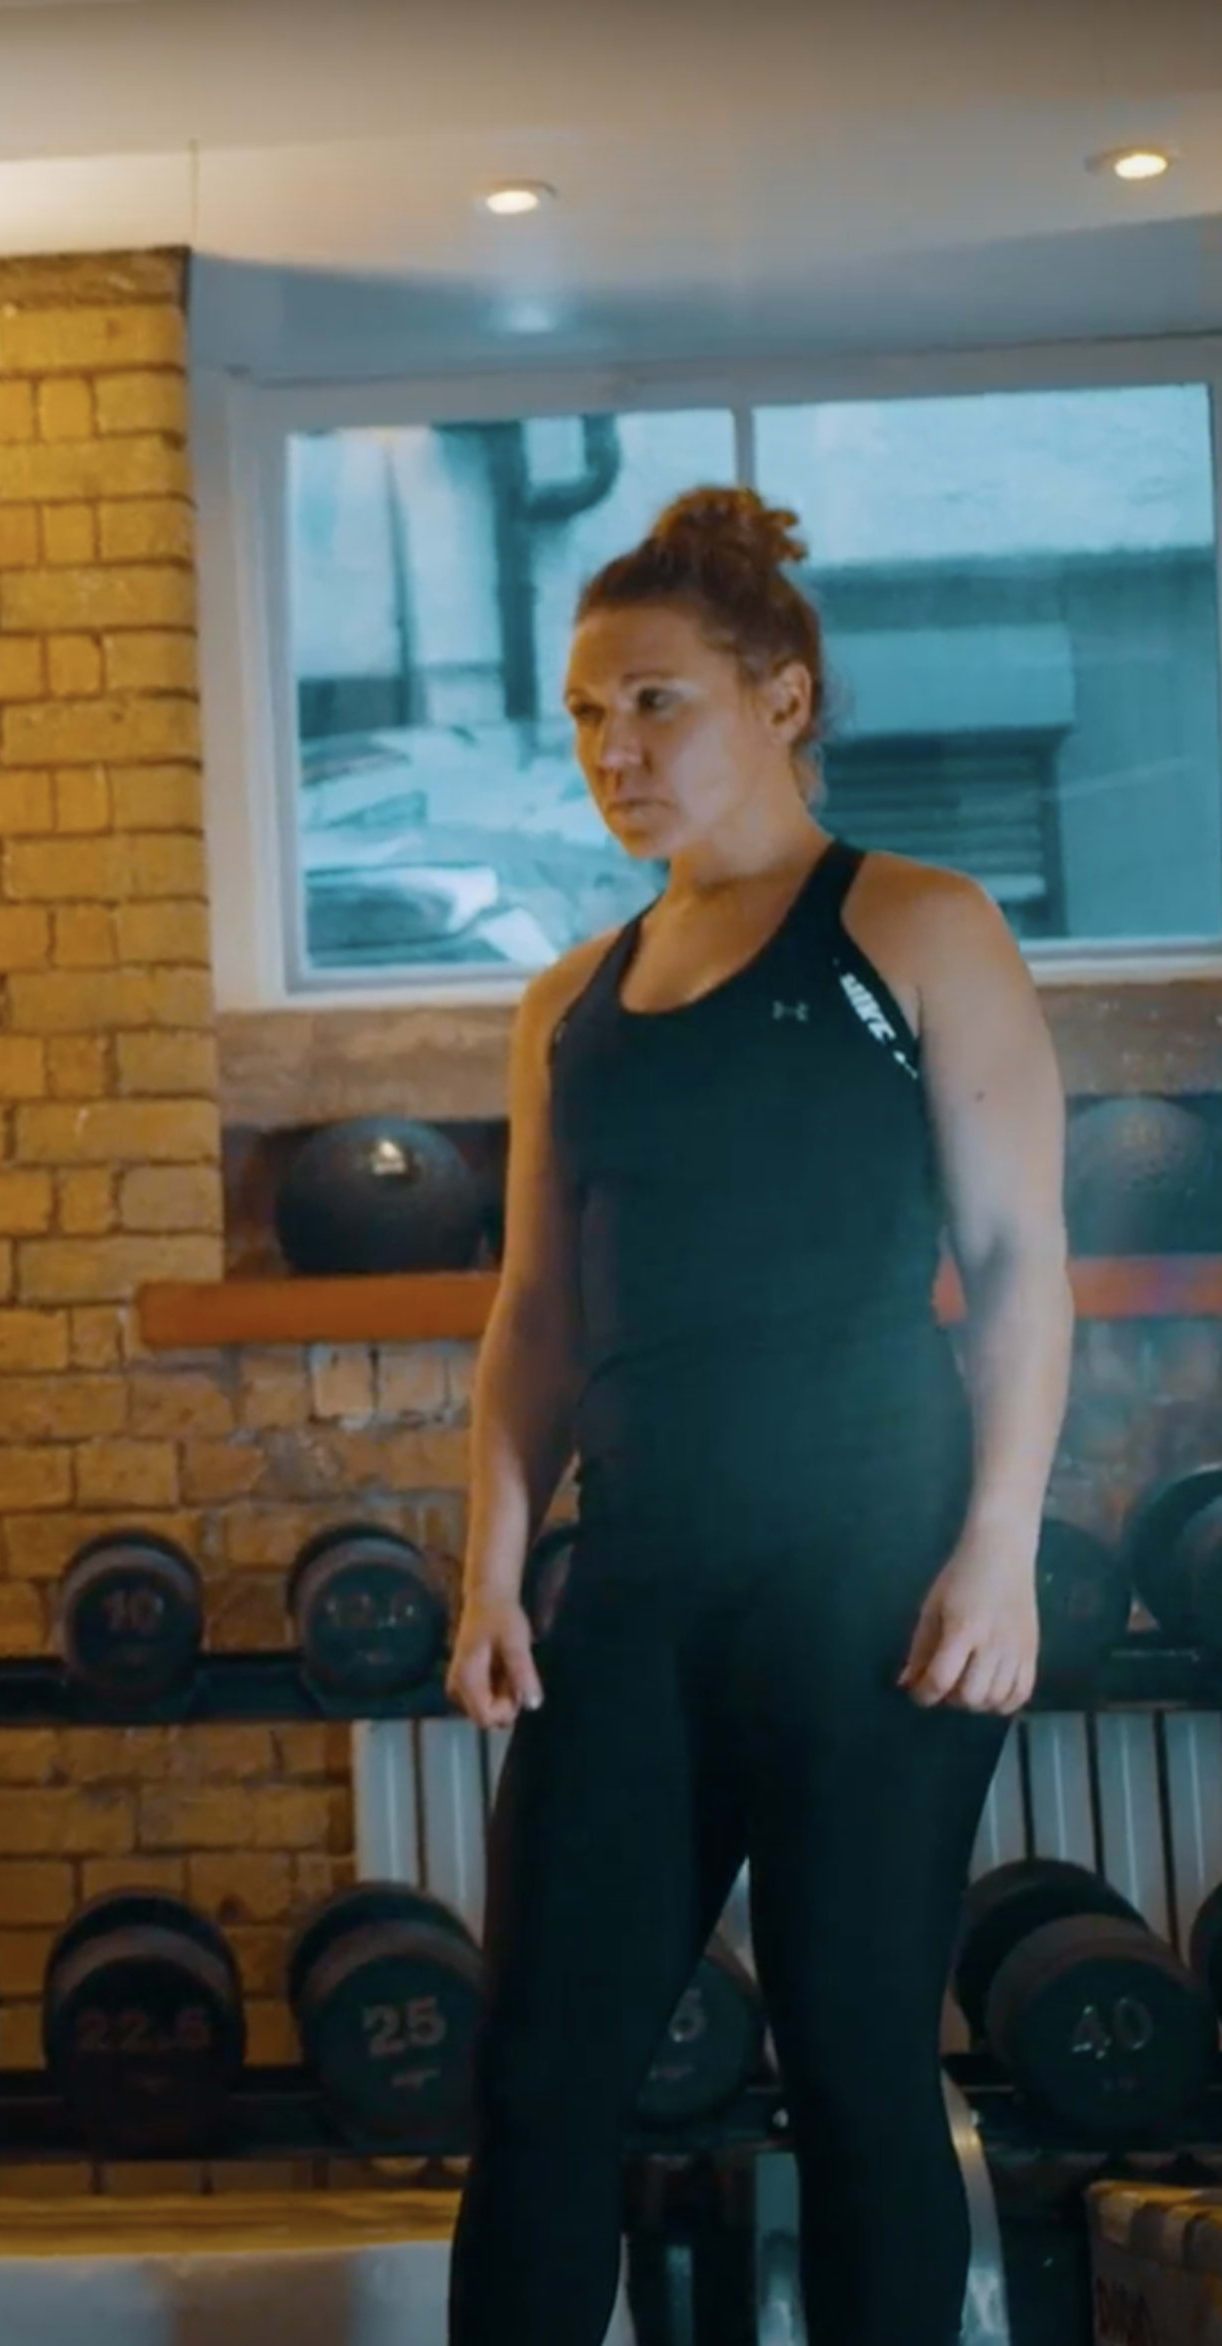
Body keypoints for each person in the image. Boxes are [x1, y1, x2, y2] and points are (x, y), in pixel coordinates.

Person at [441, 485, 1072, 2345]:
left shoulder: (917, 927)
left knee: (857, 2072)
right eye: (582, 715)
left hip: (872, 1586)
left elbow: (1023, 1256)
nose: (612, 751)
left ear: (781, 695)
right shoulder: (572, 1000)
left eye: (654, 702)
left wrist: (1003, 1544)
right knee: (543, 2082)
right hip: (629, 1593)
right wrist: (490, 1568)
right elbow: (535, 1311)